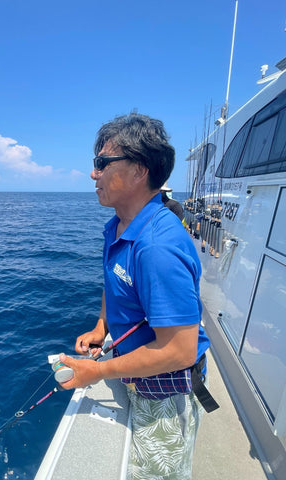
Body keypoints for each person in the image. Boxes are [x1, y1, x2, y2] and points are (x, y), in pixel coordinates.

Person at [59, 113, 212, 479]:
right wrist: (101, 326)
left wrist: (97, 371)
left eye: (102, 163)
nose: (94, 173)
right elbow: (114, 283)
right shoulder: (117, 226)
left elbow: (180, 350)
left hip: (165, 392)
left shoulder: (157, 247)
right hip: (134, 373)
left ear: (139, 171)